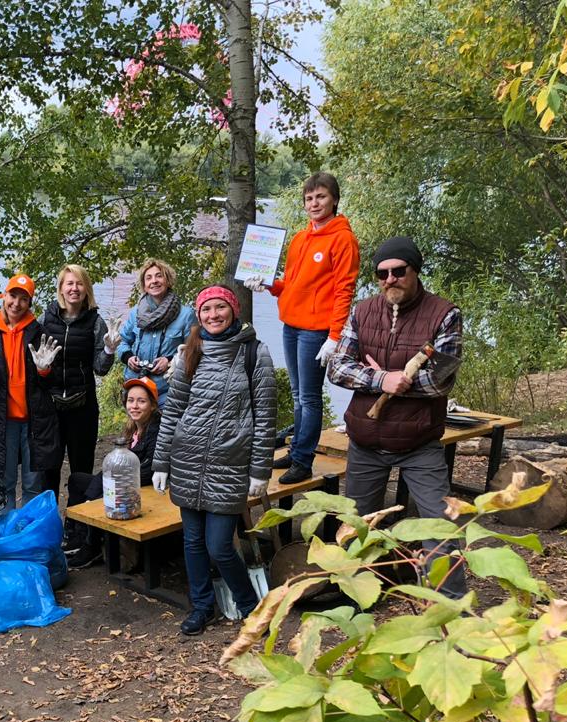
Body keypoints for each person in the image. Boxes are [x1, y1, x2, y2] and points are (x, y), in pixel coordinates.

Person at [327, 237, 466, 598]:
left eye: (398, 271)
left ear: (414, 271)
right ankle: (358, 599)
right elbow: (337, 368)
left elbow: (440, 380)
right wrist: (381, 378)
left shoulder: (444, 314)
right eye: (382, 273)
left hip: (420, 442)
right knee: (356, 527)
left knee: (441, 527)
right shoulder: (362, 311)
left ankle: (450, 605)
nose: (390, 279)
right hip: (366, 440)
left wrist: (395, 381)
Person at [152, 284, 276, 636]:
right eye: (206, 309)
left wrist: (260, 470)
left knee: (219, 546)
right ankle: (202, 607)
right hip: (188, 460)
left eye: (220, 308)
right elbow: (173, 409)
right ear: (198, 315)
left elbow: (265, 415)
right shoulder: (190, 351)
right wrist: (161, 462)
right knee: (192, 541)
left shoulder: (254, 353)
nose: (213, 315)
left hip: (230, 464)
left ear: (234, 310)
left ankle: (250, 607)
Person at [250, 172, 359, 486]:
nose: (314, 203)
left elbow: (344, 290)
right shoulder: (300, 238)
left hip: (316, 331)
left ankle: (303, 461)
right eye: (309, 198)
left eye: (321, 197)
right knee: (298, 395)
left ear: (334, 200)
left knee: (309, 398)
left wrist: (334, 337)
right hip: (291, 325)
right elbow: (292, 283)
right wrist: (269, 284)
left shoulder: (343, 239)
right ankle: (296, 449)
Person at [0, 273, 62, 509]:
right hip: (3, 422)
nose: (16, 303)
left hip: (35, 421)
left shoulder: (39, 333)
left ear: (30, 303)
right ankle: (8, 526)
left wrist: (44, 370)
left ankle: (28, 528)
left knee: (33, 483)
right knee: (5, 482)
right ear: (4, 296)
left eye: (24, 299)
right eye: (13, 296)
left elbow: (50, 383)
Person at [38, 264, 117, 507]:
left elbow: (100, 368)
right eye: (69, 283)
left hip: (82, 406)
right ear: (61, 288)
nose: (74, 288)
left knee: (81, 472)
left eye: (79, 283)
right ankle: (48, 522)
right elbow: (34, 361)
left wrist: (109, 350)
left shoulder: (95, 322)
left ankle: (78, 522)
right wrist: (40, 367)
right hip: (51, 408)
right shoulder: (45, 318)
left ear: (87, 289)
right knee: (48, 472)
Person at [63, 376, 162, 568]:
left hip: (143, 488)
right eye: (131, 400)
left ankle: (92, 546)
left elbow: (149, 469)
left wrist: (112, 480)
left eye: (141, 401)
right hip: (124, 481)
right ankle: (79, 535)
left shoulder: (156, 430)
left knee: (101, 493)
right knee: (76, 480)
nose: (134, 406)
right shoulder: (132, 429)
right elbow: (116, 463)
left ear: (152, 405)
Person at [116, 258, 195, 404]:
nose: (154, 281)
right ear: (144, 286)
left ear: (168, 280)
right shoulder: (136, 313)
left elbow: (193, 350)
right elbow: (123, 342)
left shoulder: (186, 315)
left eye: (159, 276)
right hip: (136, 387)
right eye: (149, 278)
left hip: (168, 390)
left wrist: (170, 361)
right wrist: (128, 357)